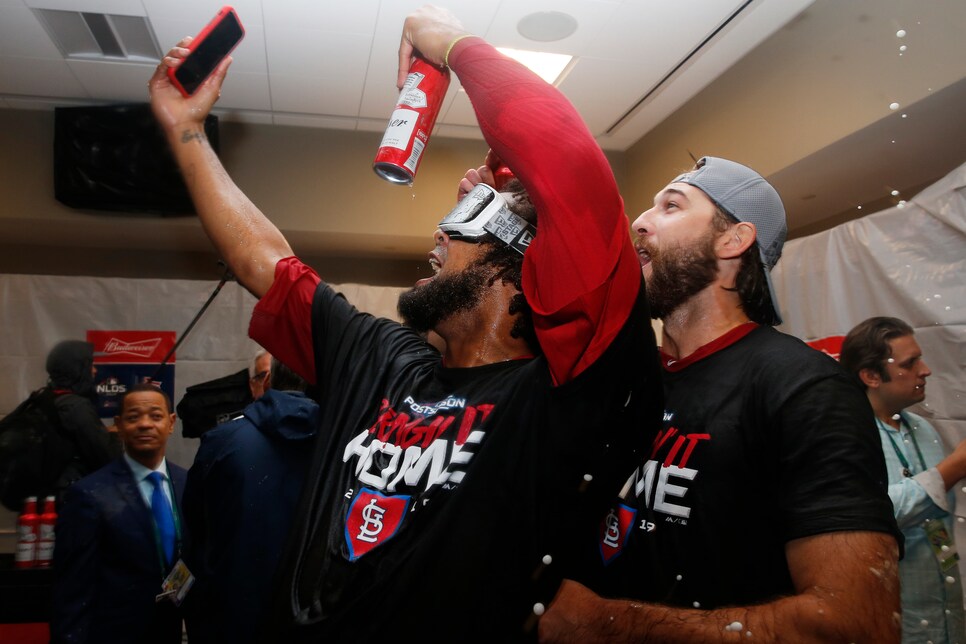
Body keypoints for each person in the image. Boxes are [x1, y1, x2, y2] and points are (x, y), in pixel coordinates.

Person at [148, 4, 661, 640]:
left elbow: (570, 169)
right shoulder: (386, 361)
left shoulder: (569, 393)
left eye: (465, 221)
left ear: (516, 262)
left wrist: (450, 44)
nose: (439, 234)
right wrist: (187, 131)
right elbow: (265, 260)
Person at [540, 157, 902, 642]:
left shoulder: (803, 387)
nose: (639, 222)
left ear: (733, 241)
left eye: (671, 206)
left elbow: (855, 625)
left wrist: (607, 623)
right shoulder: (625, 380)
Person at [841, 316, 965, 643]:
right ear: (870, 376)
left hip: (945, 612)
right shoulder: (847, 437)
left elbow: (935, 517)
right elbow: (874, 516)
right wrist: (951, 470)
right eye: (910, 363)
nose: (925, 370)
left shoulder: (923, 429)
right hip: (894, 621)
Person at [182, 358, 320, 643]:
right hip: (307, 616)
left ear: (267, 382)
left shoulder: (222, 441)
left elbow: (194, 529)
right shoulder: (343, 444)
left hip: (229, 616)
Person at [51, 383, 187, 644]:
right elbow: (71, 592)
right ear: (119, 425)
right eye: (134, 417)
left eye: (156, 416)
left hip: (169, 630)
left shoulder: (187, 484)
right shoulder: (89, 495)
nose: (145, 424)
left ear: (171, 423)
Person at [46, 340, 119, 501]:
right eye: (90, 365)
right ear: (77, 369)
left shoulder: (45, 398)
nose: (95, 371)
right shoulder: (77, 407)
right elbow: (107, 458)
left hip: (45, 496)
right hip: (68, 498)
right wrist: (114, 434)